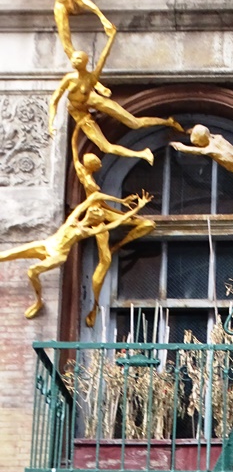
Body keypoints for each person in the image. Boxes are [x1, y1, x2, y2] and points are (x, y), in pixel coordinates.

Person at [0, 192, 149, 318]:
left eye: (100, 212)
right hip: (47, 245)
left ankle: (38, 302)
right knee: (5, 255)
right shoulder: (74, 217)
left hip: (58, 254)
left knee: (32, 271)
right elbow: (95, 196)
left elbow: (117, 223)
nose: (96, 210)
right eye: (96, 209)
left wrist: (138, 208)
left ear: (97, 219)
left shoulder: (88, 231)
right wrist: (121, 201)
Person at [72, 129, 156, 327]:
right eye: (97, 163)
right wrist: (76, 127)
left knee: (147, 224)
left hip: (105, 211)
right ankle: (94, 307)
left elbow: (101, 201)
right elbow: (75, 152)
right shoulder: (82, 174)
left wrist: (125, 206)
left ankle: (117, 246)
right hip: (96, 218)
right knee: (105, 261)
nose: (99, 165)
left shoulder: (88, 176)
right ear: (90, 165)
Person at [49, 39, 183, 164]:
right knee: (105, 147)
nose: (74, 61)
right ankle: (142, 154)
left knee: (134, 123)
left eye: (78, 58)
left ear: (85, 62)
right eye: (73, 58)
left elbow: (103, 57)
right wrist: (51, 122)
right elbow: (54, 99)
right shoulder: (69, 78)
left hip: (94, 101)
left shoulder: (91, 78)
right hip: (80, 115)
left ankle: (167, 122)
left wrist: (111, 37)